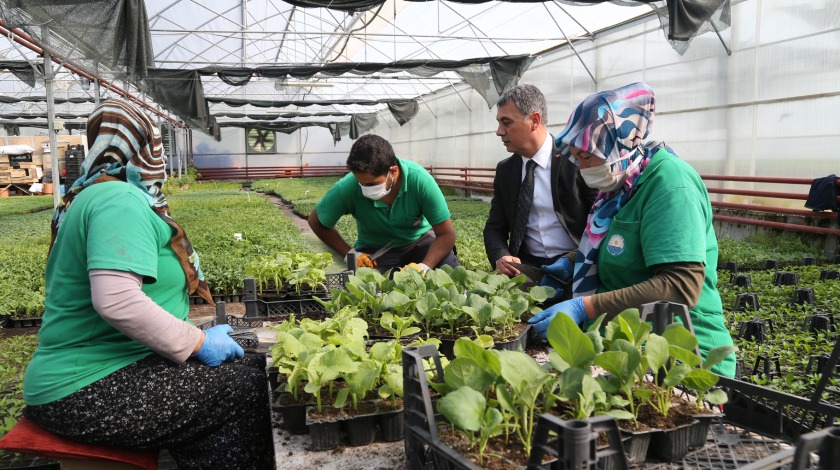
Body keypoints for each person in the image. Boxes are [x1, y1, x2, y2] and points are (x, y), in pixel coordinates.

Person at [22, 99, 274, 469]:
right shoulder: (118, 199)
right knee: (244, 391)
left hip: (109, 367)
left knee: (252, 363)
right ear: (144, 144)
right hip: (83, 385)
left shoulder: (96, 193)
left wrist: (194, 337)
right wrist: (199, 341)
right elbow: (117, 301)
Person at [527, 82, 736, 377]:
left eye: (587, 156)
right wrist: (572, 262)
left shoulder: (670, 184)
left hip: (683, 360)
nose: (581, 166)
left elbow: (680, 286)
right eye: (577, 156)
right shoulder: (621, 183)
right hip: (631, 353)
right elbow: (619, 242)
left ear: (618, 143)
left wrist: (584, 307)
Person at [483, 84, 597, 296]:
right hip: (527, 267)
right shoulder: (506, 170)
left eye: (506, 123)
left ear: (534, 120)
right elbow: (494, 228)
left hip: (579, 263)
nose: (499, 132)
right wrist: (501, 255)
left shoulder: (576, 161)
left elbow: (600, 222)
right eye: (499, 123)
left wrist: (573, 260)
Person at [309, 134, 458, 273]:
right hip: (376, 251)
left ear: (393, 171)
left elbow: (446, 234)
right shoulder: (348, 187)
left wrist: (425, 266)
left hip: (419, 242)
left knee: (446, 268)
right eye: (361, 183)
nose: (365, 189)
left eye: (372, 184)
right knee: (365, 287)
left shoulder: (419, 181)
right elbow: (316, 222)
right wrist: (350, 254)